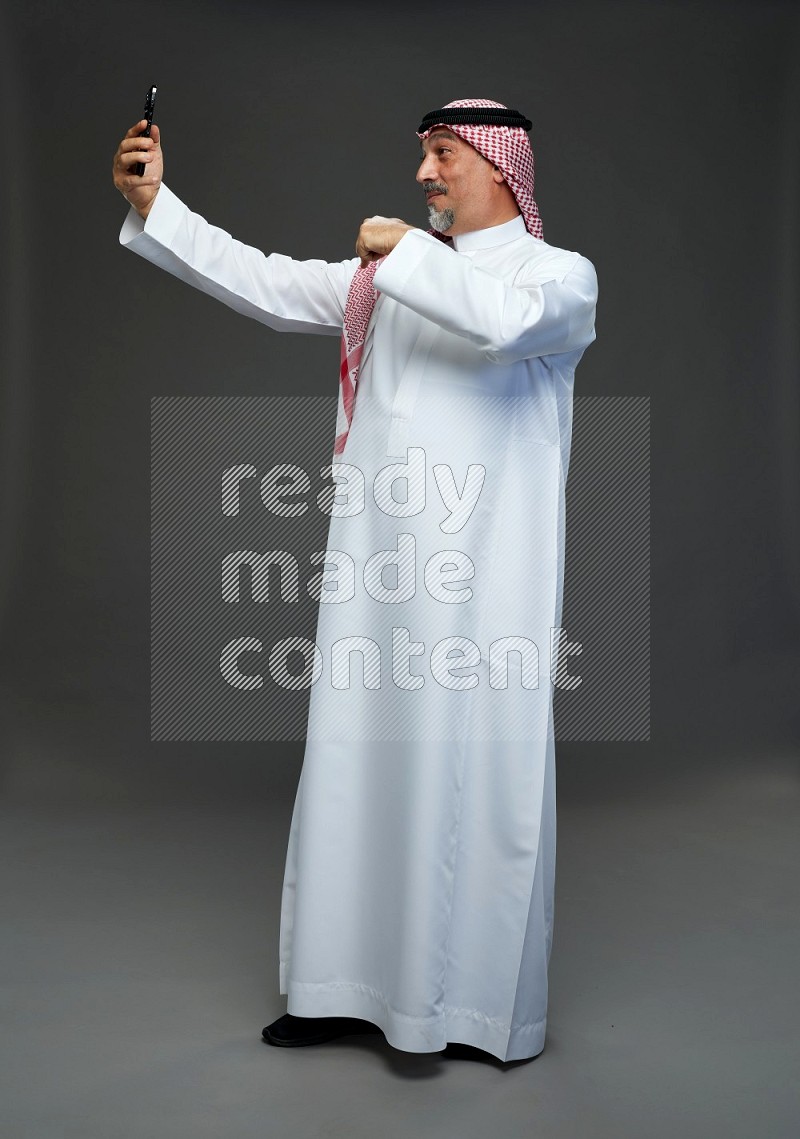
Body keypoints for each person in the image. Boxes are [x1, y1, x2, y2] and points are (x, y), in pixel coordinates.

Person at [112, 97, 598, 1063]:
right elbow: (263, 282)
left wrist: (400, 254)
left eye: (443, 156)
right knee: (354, 763)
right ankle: (339, 986)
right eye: (422, 156)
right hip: (376, 575)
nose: (424, 175)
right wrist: (159, 203)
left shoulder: (557, 277)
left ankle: (462, 1012)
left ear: (503, 169)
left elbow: (501, 323)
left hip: (479, 592)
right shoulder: (384, 282)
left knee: (469, 776)